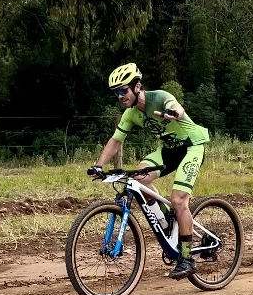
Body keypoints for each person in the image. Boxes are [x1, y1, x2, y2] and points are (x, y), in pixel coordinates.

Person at [88, 63, 210, 280]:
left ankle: (186, 259)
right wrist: (99, 166)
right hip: (168, 151)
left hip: (192, 146)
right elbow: (116, 141)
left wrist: (174, 112)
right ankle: (167, 219)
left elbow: (176, 107)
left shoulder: (159, 97)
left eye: (123, 90)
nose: (119, 96)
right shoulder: (130, 114)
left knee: (179, 200)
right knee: (138, 177)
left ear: (137, 87)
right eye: (116, 92)